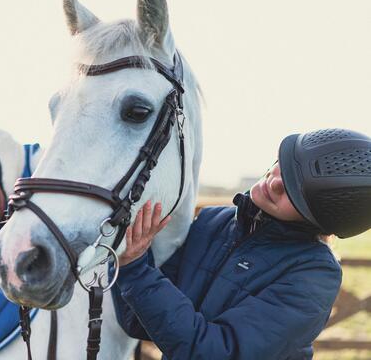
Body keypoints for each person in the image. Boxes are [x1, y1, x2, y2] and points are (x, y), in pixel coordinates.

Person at [110, 128, 371, 360]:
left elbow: (213, 353)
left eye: (295, 192)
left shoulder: (313, 274)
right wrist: (126, 253)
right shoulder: (212, 222)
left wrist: (135, 269)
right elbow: (138, 322)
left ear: (317, 220)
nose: (276, 182)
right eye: (286, 165)